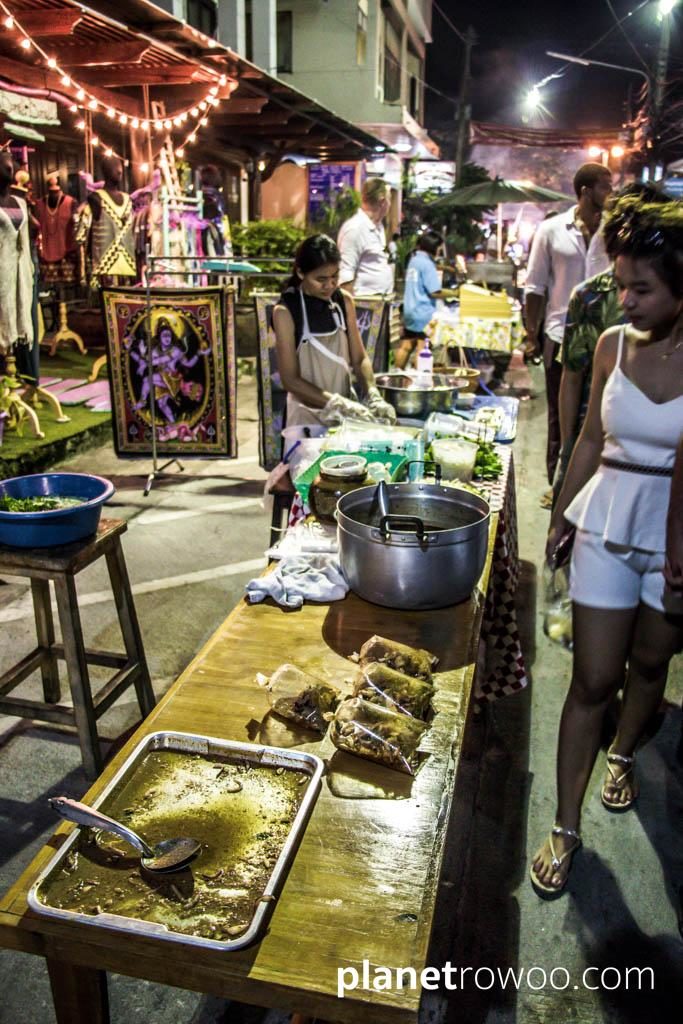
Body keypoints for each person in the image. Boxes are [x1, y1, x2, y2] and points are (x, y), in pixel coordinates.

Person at [530, 195, 683, 899]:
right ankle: (564, 825)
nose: (624, 298)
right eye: (620, 283)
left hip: (673, 533)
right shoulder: (609, 345)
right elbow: (591, 435)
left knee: (650, 662)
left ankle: (621, 753)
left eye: (641, 287)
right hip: (606, 520)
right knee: (591, 678)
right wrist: (561, 514)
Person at [524, 163, 612, 500]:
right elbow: (534, 288)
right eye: (606, 186)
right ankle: (557, 485)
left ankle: (590, 483)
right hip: (559, 334)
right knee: (560, 416)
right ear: (586, 191)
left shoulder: (613, 229)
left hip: (605, 337)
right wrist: (531, 335)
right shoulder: (551, 230)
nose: (611, 193)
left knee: (599, 411)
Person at [272, 233, 396, 428]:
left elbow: (359, 358)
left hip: (345, 418)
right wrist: (335, 403)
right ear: (301, 273)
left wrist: (373, 393)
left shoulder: (343, 301)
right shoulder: (286, 311)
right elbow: (290, 379)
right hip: (306, 419)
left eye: (335, 276)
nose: (330, 285)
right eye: (321, 279)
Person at [394, 230, 447, 370]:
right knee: (422, 348)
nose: (440, 251)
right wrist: (454, 293)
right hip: (423, 312)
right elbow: (434, 291)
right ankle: (420, 383)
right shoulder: (427, 264)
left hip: (410, 310)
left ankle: (397, 374)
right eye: (440, 248)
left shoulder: (414, 260)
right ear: (434, 247)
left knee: (406, 346)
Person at [337, 178, 394, 296]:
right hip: (363, 306)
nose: (390, 204)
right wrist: (350, 311)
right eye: (390, 199)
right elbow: (345, 276)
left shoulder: (378, 227)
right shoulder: (355, 229)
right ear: (382, 201)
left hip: (379, 304)